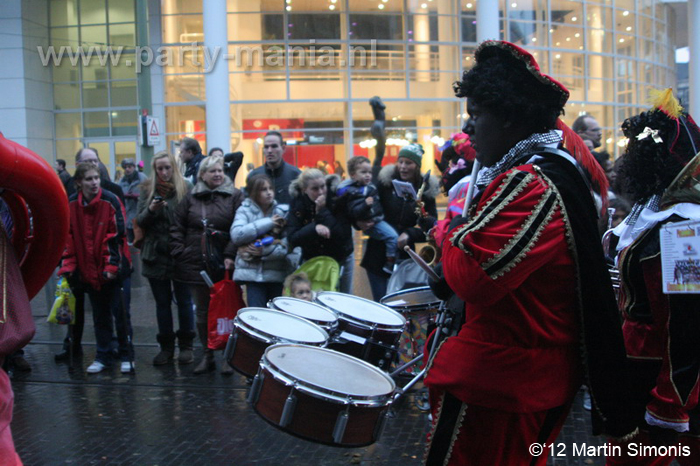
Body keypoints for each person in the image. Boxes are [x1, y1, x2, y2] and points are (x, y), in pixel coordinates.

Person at [423, 40, 635, 465]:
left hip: (504, 385)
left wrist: (449, 228)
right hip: (511, 380)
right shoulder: (532, 174)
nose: (468, 130)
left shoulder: (532, 185)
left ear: (509, 116)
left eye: (476, 116)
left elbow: (471, 275)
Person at [606, 89, 700, 465]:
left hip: (656, 380)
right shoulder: (656, 213)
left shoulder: (683, 230)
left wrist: (669, 404)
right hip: (634, 370)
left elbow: (687, 324)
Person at [170, 155, 244, 374]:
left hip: (225, 263)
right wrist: (180, 251)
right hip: (196, 264)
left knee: (228, 312)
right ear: (202, 174)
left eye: (220, 170)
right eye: (212, 171)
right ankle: (208, 353)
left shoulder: (235, 196)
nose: (218, 174)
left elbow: (239, 227)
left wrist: (231, 253)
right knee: (202, 312)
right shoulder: (190, 198)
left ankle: (228, 356)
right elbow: (177, 226)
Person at [59, 163, 134, 374]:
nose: (94, 183)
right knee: (100, 315)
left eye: (96, 178)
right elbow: (69, 237)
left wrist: (111, 266)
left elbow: (117, 236)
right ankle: (104, 356)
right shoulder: (72, 203)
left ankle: (127, 354)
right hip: (88, 269)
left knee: (121, 314)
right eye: (89, 179)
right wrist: (69, 265)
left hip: (116, 269)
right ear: (78, 183)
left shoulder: (110, 200)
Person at [135, 151, 196, 366]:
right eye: (159, 168)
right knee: (162, 304)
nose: (164, 172)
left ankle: (187, 346)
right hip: (155, 255)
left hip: (180, 254)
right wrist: (151, 210)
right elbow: (139, 221)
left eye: (167, 167)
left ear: (174, 168)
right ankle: (166, 348)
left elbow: (192, 219)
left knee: (184, 301)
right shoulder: (147, 189)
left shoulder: (186, 187)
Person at [360, 143, 439, 301]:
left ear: (416, 166)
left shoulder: (426, 190)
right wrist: (361, 222)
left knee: (401, 305)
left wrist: (409, 234)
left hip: (404, 258)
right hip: (377, 256)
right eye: (400, 162)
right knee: (381, 303)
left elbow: (432, 227)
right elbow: (369, 207)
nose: (403, 167)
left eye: (408, 163)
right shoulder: (385, 183)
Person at [286, 168, 354, 293]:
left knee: (344, 298)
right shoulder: (298, 204)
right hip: (313, 260)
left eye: (323, 186)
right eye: (315, 189)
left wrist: (322, 211)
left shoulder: (336, 198)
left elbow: (342, 235)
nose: (321, 192)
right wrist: (314, 228)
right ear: (304, 190)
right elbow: (292, 237)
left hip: (341, 257)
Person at [231, 175, 289, 307]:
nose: (269, 192)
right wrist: (268, 222)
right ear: (254, 193)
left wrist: (265, 251)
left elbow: (288, 244)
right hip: (252, 276)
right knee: (257, 315)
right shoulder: (244, 210)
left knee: (275, 317)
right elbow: (237, 235)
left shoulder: (282, 212)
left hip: (276, 273)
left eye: (270, 188)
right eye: (263, 189)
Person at [337, 156, 398, 273]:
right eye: (363, 172)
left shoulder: (367, 187)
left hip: (376, 220)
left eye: (369, 172)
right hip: (373, 223)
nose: (368, 175)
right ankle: (390, 262)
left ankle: (391, 260)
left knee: (391, 237)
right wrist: (365, 206)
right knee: (392, 237)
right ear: (353, 175)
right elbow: (353, 211)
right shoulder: (355, 191)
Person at [247, 131, 300, 206]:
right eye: (266, 147)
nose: (269, 151)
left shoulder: (296, 175)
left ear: (283, 148)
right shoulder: (254, 176)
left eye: (274, 146)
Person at [118, 158, 147, 244]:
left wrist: (137, 197)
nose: (127, 169)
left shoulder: (142, 178)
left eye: (129, 166)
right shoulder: (121, 181)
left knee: (141, 241)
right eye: (125, 167)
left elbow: (148, 193)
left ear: (134, 167)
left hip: (140, 215)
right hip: (128, 217)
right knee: (130, 243)